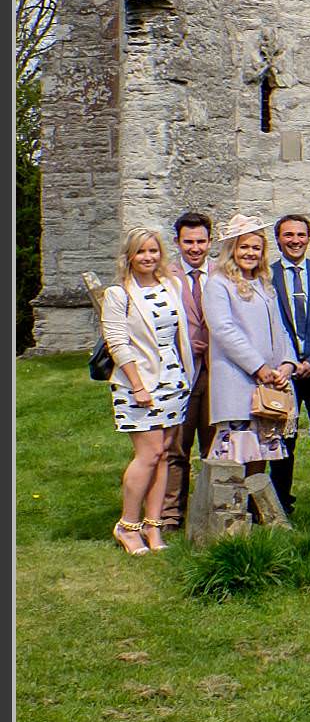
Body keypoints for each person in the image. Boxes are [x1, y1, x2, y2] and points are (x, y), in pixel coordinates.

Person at [101, 228, 193, 555]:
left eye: (153, 250)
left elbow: (178, 335)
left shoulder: (171, 285)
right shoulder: (118, 294)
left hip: (173, 380)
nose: (148, 257)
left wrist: (184, 374)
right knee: (148, 454)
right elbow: (117, 343)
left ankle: (153, 528)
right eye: (141, 252)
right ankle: (127, 525)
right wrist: (138, 386)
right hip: (138, 384)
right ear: (129, 256)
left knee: (165, 454)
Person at [200, 215, 301, 492]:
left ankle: (256, 513)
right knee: (236, 454)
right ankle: (229, 516)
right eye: (244, 247)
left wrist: (286, 365)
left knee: (261, 453)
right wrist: (258, 367)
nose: (250, 253)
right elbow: (224, 330)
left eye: (255, 248)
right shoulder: (218, 283)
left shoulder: (263, 284)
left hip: (268, 383)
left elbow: (279, 329)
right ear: (232, 248)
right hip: (239, 379)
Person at [267, 212, 310, 524]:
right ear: (278, 239)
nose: (295, 241)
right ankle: (281, 503)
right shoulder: (266, 279)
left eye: (300, 235)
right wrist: (289, 362)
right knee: (283, 441)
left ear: (309, 238)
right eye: (288, 235)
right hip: (283, 374)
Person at [156, 212, 215, 532]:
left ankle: (209, 511)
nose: (195, 248)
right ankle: (170, 515)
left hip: (218, 372)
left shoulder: (220, 274)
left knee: (215, 445)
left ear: (210, 242)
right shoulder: (166, 277)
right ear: (178, 242)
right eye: (188, 242)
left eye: (201, 241)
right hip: (180, 371)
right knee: (177, 446)